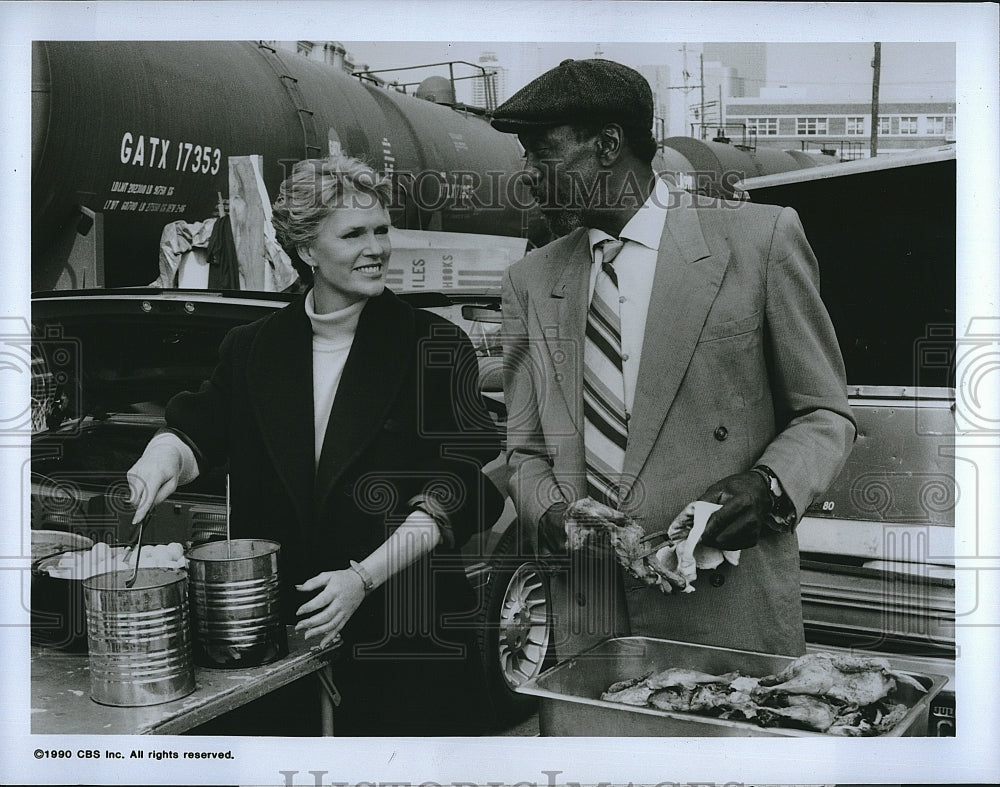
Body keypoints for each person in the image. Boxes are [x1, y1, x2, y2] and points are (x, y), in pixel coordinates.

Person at [126, 154, 503, 735]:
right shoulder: (252, 348)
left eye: (381, 229)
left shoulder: (434, 343)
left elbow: (457, 488)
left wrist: (363, 579)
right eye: (353, 234)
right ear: (306, 249)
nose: (376, 247)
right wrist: (156, 463)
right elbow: (195, 431)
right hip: (281, 633)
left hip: (406, 634)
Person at [491, 59, 856, 659]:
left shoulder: (759, 241)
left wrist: (767, 487)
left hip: (729, 612)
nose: (528, 174)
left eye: (541, 152)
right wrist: (553, 516)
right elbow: (525, 448)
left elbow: (824, 414)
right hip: (594, 619)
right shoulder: (531, 280)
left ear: (607, 145)